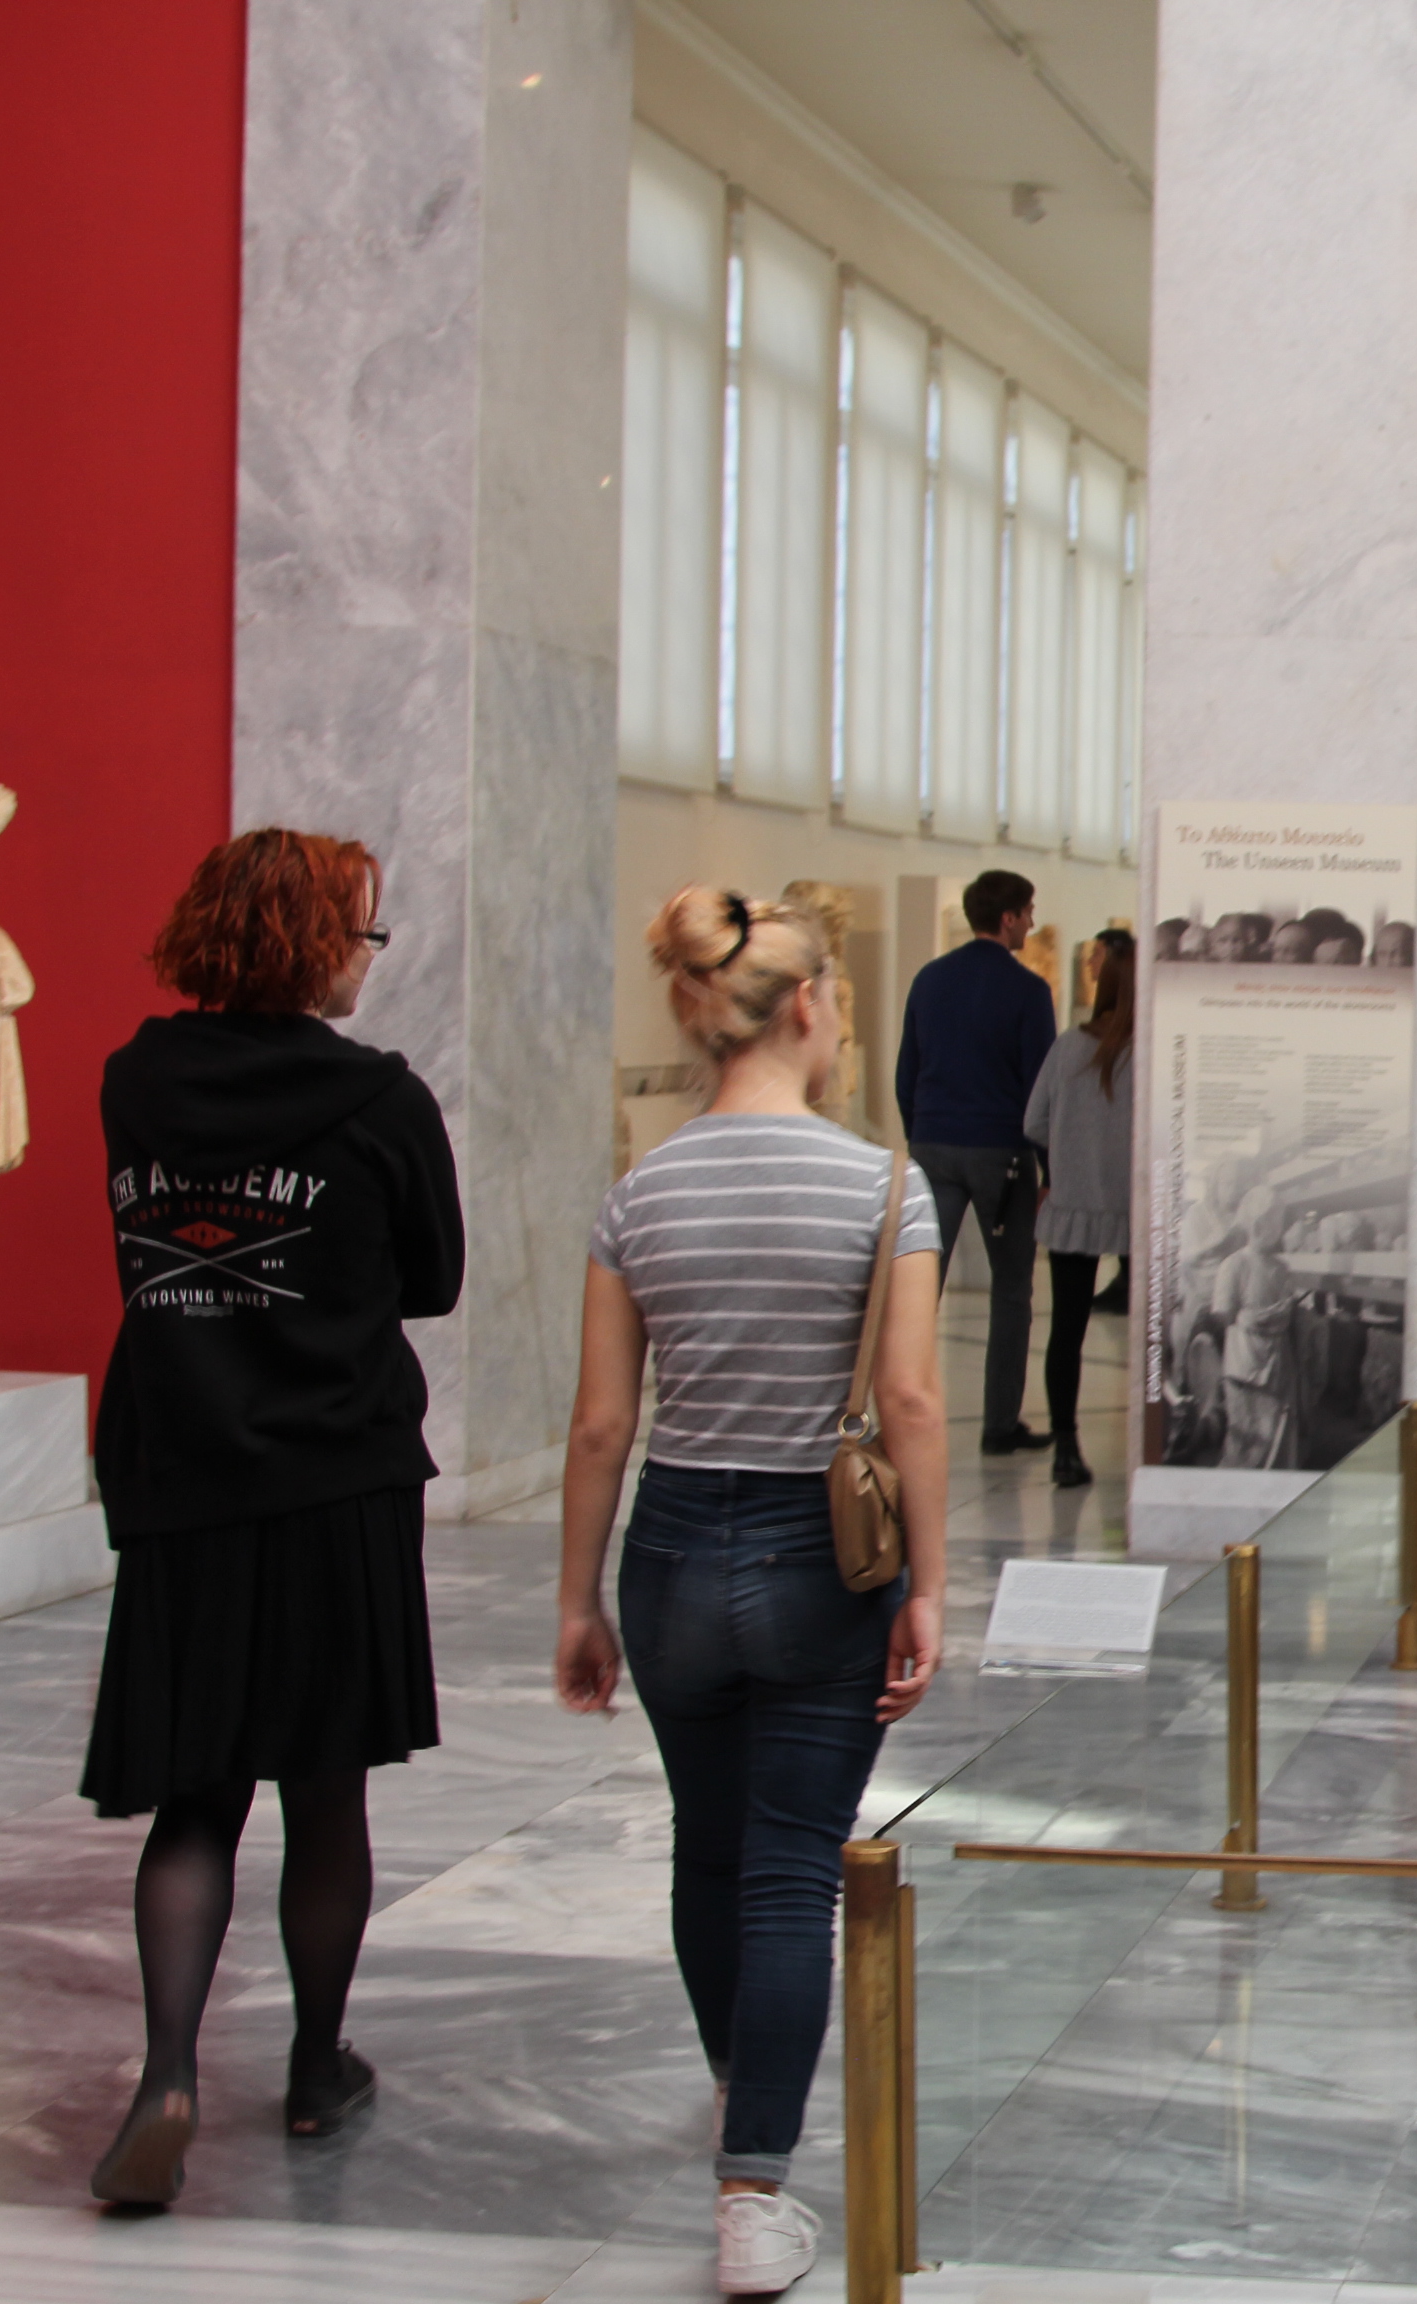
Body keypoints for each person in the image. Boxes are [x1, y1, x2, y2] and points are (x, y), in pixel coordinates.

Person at [555, 887, 949, 2298]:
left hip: (669, 1549)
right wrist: (931, 1589)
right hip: (815, 1558)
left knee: (707, 1847)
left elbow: (603, 1423)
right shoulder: (885, 1192)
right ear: (804, 1009)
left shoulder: (639, 1192)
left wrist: (577, 1603)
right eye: (836, 1001)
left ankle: (742, 2082)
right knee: (793, 1871)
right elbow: (905, 1399)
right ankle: (753, 2191)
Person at [80, 828, 464, 2204]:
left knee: (194, 1800)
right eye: (361, 932)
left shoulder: (138, 1082)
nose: (371, 958)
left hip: (183, 1476)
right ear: (313, 946)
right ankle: (314, 2069)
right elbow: (434, 1278)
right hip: (335, 1482)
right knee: (324, 1794)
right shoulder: (379, 1100)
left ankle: (168, 2073)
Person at [895, 869, 1056, 1453]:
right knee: (1011, 1288)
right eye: (1029, 911)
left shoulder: (930, 980)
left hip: (935, 1146)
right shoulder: (1028, 991)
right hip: (1001, 1152)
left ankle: (898, 1409)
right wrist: (1049, 1170)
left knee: (918, 1286)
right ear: (1009, 917)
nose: (1033, 923)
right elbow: (1041, 1091)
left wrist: (922, 1136)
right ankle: (998, 1424)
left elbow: (906, 1071)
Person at [1025, 928, 1135, 1490]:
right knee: (1154, 1336)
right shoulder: (1153, 1051)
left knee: (1065, 1333)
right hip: (1137, 1210)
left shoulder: (1070, 1046)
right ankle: (1153, 1440)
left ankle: (1065, 1445)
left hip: (1075, 1203)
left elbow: (1033, 1123)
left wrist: (1066, 1158)